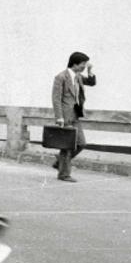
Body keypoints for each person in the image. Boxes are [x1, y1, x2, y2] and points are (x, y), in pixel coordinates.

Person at [51, 51, 97, 182]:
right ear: (75, 64)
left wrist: (90, 71)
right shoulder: (60, 77)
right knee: (67, 146)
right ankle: (64, 174)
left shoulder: (78, 77)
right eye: (83, 64)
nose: (84, 66)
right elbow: (56, 99)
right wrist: (59, 117)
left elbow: (91, 82)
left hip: (76, 115)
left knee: (81, 143)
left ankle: (60, 163)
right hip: (65, 116)